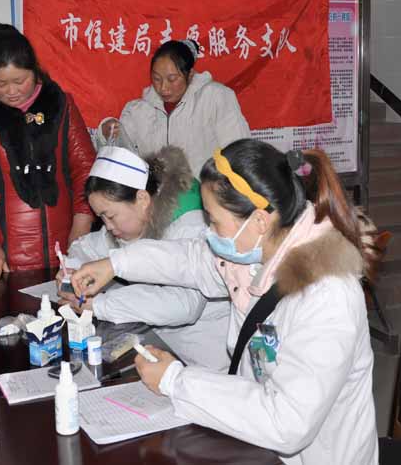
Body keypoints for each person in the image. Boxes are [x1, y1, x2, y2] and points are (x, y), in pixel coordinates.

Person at [72, 139, 380, 464]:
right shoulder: (257, 252)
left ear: (259, 221)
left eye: (214, 221)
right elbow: (190, 260)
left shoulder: (327, 296)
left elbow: (287, 423)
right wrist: (114, 264)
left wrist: (175, 380)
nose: (208, 232)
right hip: (254, 440)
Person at [59, 145, 229, 370]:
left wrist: (100, 304)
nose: (107, 226)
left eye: (110, 216)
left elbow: (183, 305)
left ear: (141, 199)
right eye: (102, 218)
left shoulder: (190, 225)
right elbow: (85, 246)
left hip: (201, 361)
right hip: (155, 350)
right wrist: (72, 270)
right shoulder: (127, 225)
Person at [0, 23, 95, 276]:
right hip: (4, 252)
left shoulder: (60, 105)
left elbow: (85, 167)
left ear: (34, 71)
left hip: (66, 243)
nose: (11, 91)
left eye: (20, 81)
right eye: (0, 83)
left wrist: (82, 225)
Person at [96, 39, 250, 176]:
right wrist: (108, 132)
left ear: (190, 75)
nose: (163, 88)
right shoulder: (137, 110)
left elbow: (240, 152)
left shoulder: (216, 98)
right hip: (154, 197)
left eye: (172, 79)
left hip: (205, 195)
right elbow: (123, 159)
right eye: (157, 79)